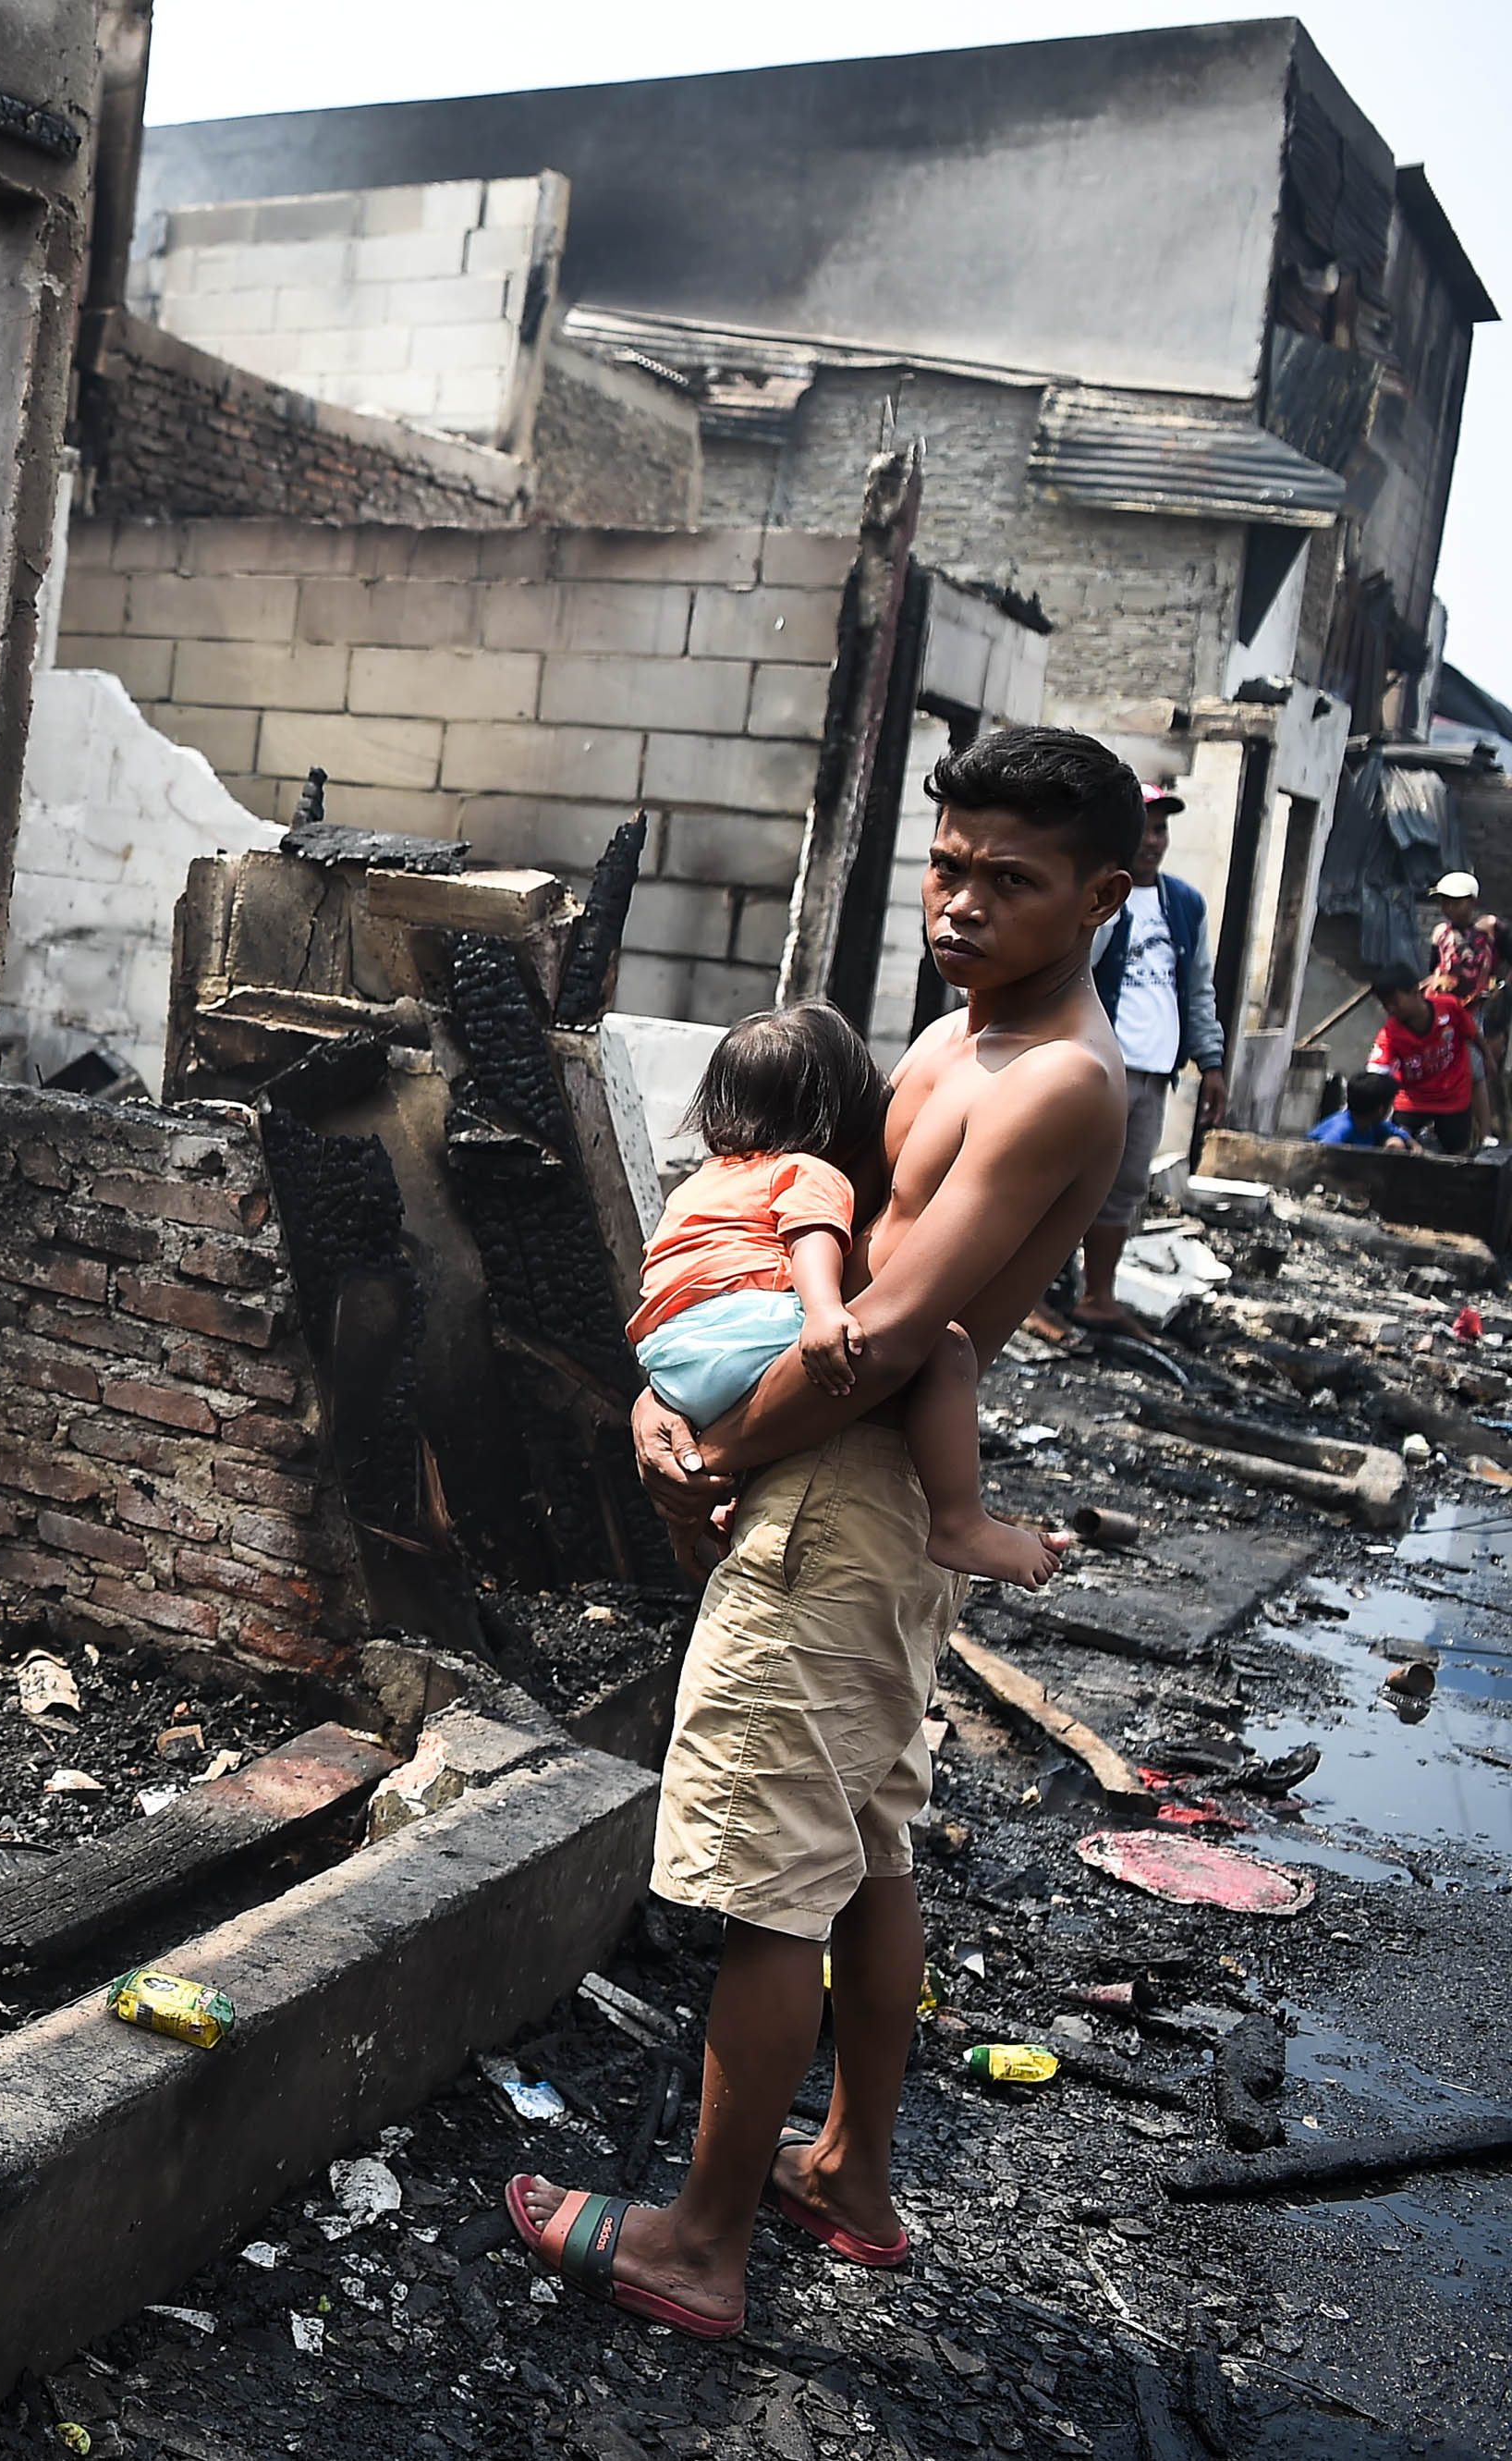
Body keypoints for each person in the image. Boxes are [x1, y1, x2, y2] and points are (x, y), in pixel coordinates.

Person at [506, 724, 1139, 2340]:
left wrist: (704, 1453)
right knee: (862, 1843)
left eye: (1013, 879)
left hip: (847, 1488)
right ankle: (849, 2173)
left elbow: (896, 1329)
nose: (962, 901)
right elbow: (807, 1247)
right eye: (950, 864)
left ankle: (697, 2243)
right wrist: (679, 1405)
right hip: (857, 1489)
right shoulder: (953, 1038)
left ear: (1101, 898)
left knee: (770, 1880)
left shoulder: (1056, 1079)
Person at [627, 1003, 1056, 1587]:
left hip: (673, 1361)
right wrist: (825, 1312)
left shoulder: (702, 1182)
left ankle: (691, 1533)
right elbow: (811, 1238)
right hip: (747, 1334)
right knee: (945, 1348)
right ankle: (960, 1522)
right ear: (844, 1121)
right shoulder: (808, 1171)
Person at [1056, 783, 1223, 1338]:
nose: (1155, 841)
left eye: (1161, 829)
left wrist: (1211, 1061)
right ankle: (1028, 1297)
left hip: (1154, 1070)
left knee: (1123, 1189)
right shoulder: (1100, 897)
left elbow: (1198, 990)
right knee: (1062, 1181)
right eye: (1146, 828)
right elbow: (1071, 968)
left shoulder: (1185, 904)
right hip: (1097, 1066)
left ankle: (1097, 1297)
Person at [1426, 870, 1506, 1145]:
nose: (1448, 908)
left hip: (1474, 1011)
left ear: (1471, 902)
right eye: (1445, 902)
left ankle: (1485, 1132)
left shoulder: (1489, 932)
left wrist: (1500, 988)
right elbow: (1433, 970)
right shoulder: (1440, 934)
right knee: (1437, 1064)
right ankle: (1434, 1124)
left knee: (1475, 1070)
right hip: (1443, 1010)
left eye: (1455, 902)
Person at [1365, 961, 1479, 1154]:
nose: (1391, 1009)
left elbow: (1473, 1034)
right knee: (1396, 1146)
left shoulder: (1449, 1007)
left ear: (1415, 992)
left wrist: (1488, 1059)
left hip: (1453, 1096)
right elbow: (1377, 1071)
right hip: (1412, 1100)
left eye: (1395, 1002)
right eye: (1385, 1005)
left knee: (1457, 1155)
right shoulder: (1390, 1034)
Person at [1308, 1071, 1421, 1148]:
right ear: (1381, 1109)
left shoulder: (1372, 1123)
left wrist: (1413, 1146)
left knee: (1396, 1143)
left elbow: (1396, 1132)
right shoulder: (1341, 1130)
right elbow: (1322, 1152)